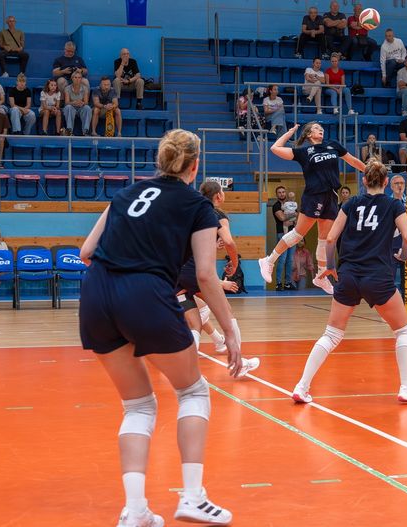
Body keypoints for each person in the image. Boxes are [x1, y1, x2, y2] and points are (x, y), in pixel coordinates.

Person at [77, 128, 239, 527]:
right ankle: (193, 497)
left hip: (95, 293)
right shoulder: (198, 206)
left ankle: (135, 511)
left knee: (137, 405)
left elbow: (86, 251)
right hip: (144, 292)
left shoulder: (126, 193)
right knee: (193, 391)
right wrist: (230, 328)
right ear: (195, 166)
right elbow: (205, 275)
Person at [291, 159, 407, 404]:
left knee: (331, 335)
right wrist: (403, 257)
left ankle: (302, 386)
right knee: (403, 331)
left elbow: (331, 239)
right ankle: (406, 387)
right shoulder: (394, 204)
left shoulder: (350, 203)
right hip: (378, 276)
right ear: (386, 182)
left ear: (364, 181)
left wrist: (331, 266)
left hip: (349, 275)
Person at [258, 122, 366, 294]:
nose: (320, 129)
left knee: (324, 239)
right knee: (297, 235)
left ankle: (321, 276)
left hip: (331, 195)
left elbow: (352, 160)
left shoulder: (333, 145)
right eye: (316, 128)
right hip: (314, 195)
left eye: (321, 127)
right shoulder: (304, 152)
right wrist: (290, 132)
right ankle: (268, 260)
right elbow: (275, 148)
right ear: (308, 134)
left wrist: (369, 170)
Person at [173, 180, 260, 378]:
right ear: (219, 196)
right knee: (227, 313)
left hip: (175, 272)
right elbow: (229, 241)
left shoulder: (189, 211)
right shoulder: (216, 214)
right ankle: (239, 363)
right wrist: (235, 263)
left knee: (195, 324)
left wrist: (212, 244)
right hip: (195, 271)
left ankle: (186, 368)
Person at [270, 185, 296, 291]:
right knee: (282, 259)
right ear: (276, 195)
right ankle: (278, 283)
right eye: (279, 192)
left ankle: (288, 283)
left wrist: (292, 218)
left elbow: (297, 216)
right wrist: (293, 215)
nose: (282, 194)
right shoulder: (276, 206)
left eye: (283, 192)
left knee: (290, 259)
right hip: (282, 234)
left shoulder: (291, 204)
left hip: (292, 233)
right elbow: (282, 218)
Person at [62, 70, 92, 136]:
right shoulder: (67, 88)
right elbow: (66, 102)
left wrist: (81, 103)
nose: (77, 79)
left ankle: (86, 131)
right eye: (75, 77)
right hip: (71, 107)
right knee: (68, 107)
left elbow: (86, 102)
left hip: (81, 107)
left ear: (81, 79)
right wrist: (74, 102)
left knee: (87, 108)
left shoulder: (85, 88)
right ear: (72, 79)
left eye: (79, 77)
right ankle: (69, 131)